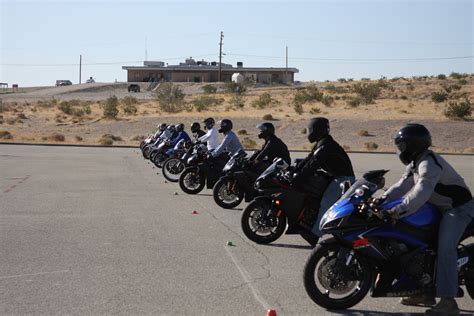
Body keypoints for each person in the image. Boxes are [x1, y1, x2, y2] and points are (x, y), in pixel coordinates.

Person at [379, 123, 473, 315]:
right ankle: (424, 292)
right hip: (440, 208)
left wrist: (398, 210)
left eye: (403, 146)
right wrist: (381, 200)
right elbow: (402, 185)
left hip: (458, 209)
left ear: (413, 145)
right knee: (419, 242)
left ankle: (448, 301)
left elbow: (421, 192)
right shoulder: (416, 161)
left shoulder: (428, 164)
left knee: (445, 247)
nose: (400, 150)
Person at [291, 117, 355, 233]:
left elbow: (313, 164)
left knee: (325, 203)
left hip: (343, 179)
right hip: (334, 177)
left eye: (310, 129)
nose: (309, 132)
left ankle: (315, 233)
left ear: (317, 130)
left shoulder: (326, 145)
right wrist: (293, 170)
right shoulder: (321, 143)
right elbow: (309, 159)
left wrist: (298, 178)